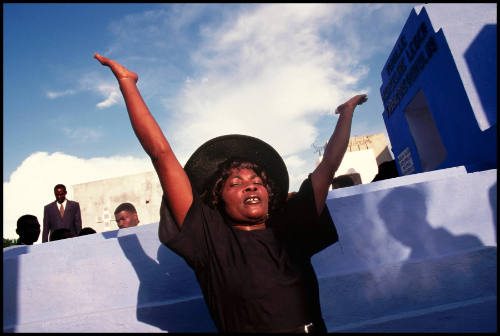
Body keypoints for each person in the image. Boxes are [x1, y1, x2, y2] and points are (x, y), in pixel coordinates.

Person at [95, 53, 367, 333]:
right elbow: (161, 155)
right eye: (235, 183)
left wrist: (346, 112)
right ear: (218, 199)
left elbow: (328, 166)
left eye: (256, 180)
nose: (250, 185)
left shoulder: (289, 229)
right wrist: (128, 83)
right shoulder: (211, 240)